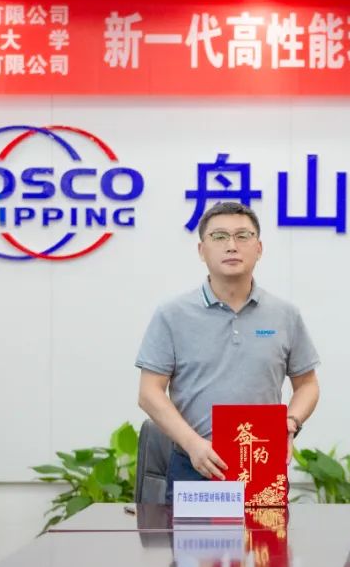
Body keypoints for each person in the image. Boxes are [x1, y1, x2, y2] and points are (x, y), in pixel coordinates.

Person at [136, 201, 320, 500]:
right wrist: (192, 444)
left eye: (242, 236)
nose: (231, 246)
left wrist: (291, 421)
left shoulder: (284, 314)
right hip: (195, 464)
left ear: (259, 248)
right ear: (201, 250)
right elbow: (149, 392)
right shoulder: (172, 314)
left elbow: (307, 384)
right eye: (219, 236)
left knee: (265, 533)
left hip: (261, 463)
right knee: (192, 534)